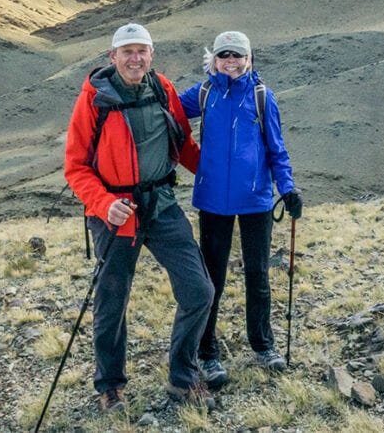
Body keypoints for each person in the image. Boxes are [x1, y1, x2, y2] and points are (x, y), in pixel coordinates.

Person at [64, 22, 216, 414]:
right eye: (127, 51)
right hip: (116, 214)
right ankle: (110, 386)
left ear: (152, 55)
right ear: (112, 57)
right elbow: (76, 167)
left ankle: (183, 378)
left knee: (199, 290)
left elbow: (183, 144)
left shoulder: (161, 88)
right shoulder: (95, 99)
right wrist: (103, 204)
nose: (135, 58)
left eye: (141, 51)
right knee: (112, 301)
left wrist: (225, 180)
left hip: (162, 204)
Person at [179, 30, 303, 390]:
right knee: (211, 280)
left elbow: (277, 151)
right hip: (213, 200)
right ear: (214, 60)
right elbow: (165, 107)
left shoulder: (263, 97)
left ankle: (263, 345)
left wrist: (288, 188)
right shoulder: (202, 94)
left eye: (238, 55)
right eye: (224, 55)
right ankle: (207, 352)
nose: (231, 61)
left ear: (250, 59)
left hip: (255, 201)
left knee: (258, 276)